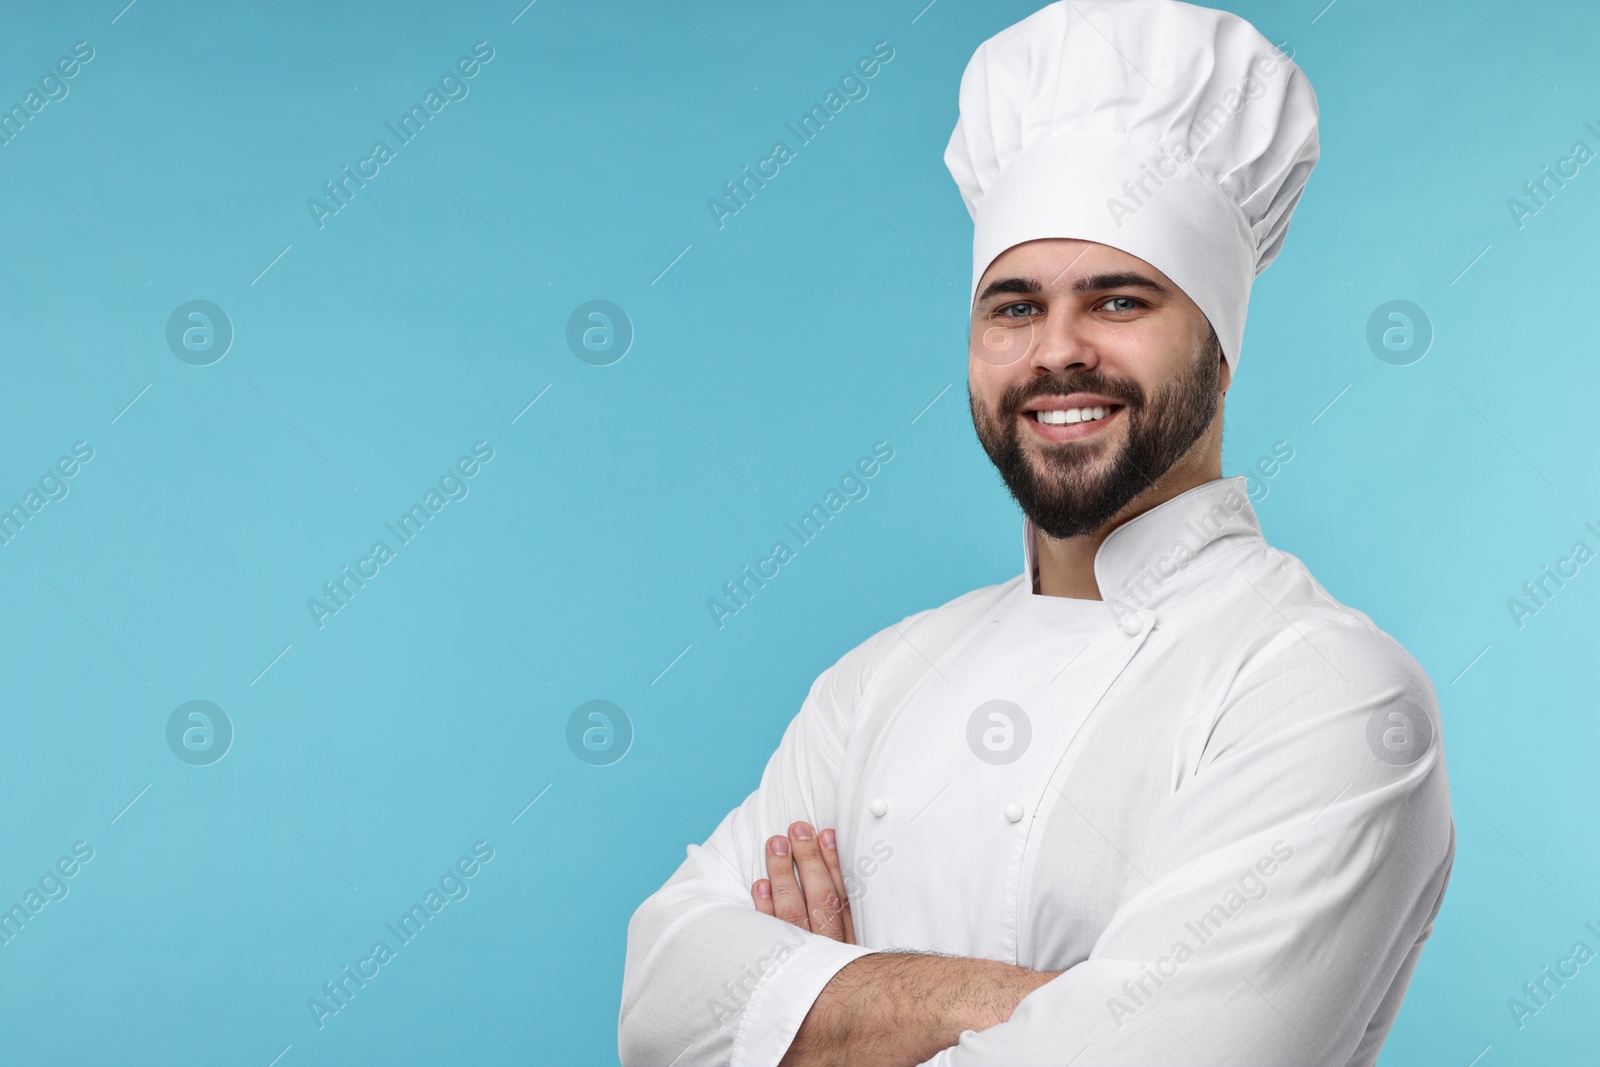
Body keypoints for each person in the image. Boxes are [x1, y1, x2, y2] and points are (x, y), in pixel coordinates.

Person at [619, 2, 1454, 1064]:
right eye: (1012, 307)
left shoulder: (1326, 691)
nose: (1056, 352)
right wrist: (1036, 1003)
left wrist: (805, 1009)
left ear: (1219, 340)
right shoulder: (879, 680)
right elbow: (657, 1001)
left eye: (1116, 300)